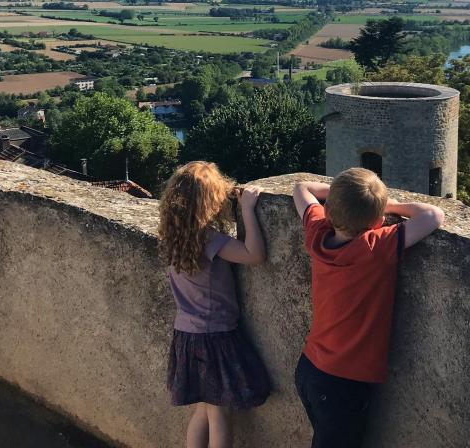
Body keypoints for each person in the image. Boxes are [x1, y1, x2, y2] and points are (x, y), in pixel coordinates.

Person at [292, 168, 445, 448]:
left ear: (331, 211)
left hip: (310, 369)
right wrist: (388, 204)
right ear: (378, 220)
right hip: (343, 382)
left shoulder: (317, 233)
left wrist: (344, 200)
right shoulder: (376, 246)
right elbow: (434, 215)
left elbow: (302, 188)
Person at [158, 161, 270, 448]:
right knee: (219, 413)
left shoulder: (173, 238)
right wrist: (246, 209)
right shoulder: (210, 240)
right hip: (214, 337)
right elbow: (254, 255)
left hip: (186, 335)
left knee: (203, 408)